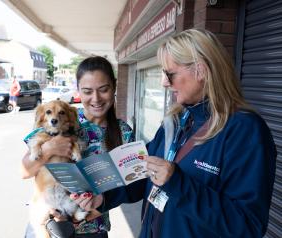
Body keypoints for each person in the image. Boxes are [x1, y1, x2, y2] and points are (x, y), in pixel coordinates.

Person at [72, 29, 277, 238]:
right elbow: (142, 177)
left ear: (201, 70)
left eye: (170, 73)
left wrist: (178, 184)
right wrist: (104, 197)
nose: (164, 82)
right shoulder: (175, 121)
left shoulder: (245, 131)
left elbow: (248, 226)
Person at [21, 56, 135, 238]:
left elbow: (128, 187)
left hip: (92, 228)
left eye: (103, 90)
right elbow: (25, 171)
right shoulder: (61, 118)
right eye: (87, 91)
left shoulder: (124, 132)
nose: (96, 98)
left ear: (114, 86)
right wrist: (49, 149)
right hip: (48, 221)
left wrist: (79, 218)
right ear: (78, 91)